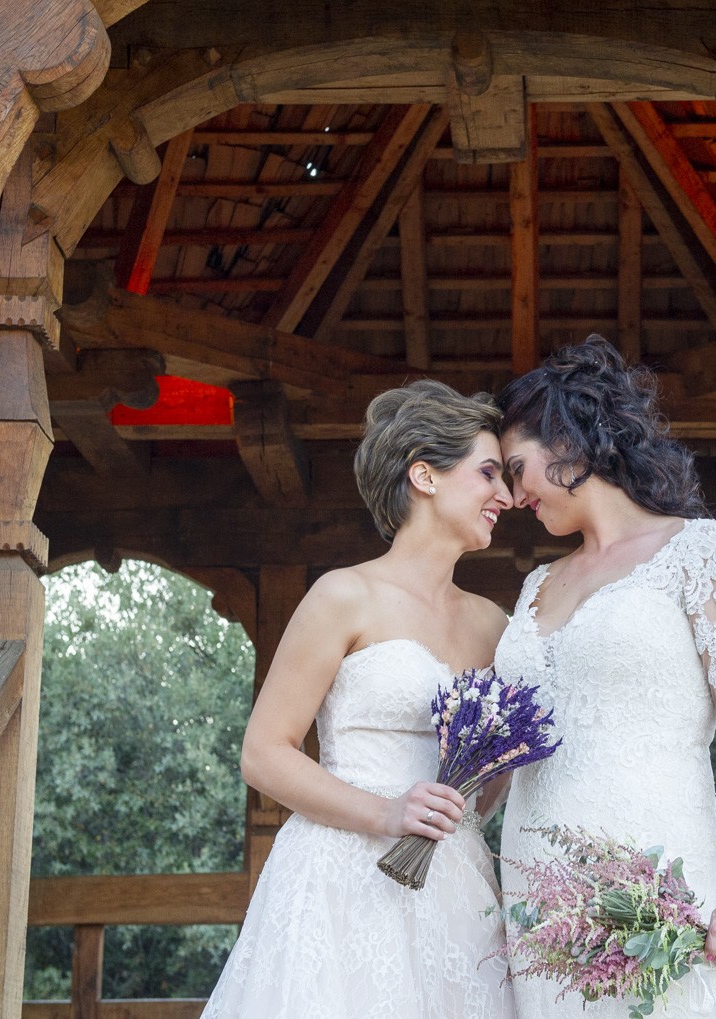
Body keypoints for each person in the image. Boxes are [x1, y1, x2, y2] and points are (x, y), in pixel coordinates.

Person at [202, 380, 518, 1019]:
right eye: (488, 473)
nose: (506, 496)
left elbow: (493, 780)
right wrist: (385, 814)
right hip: (341, 880)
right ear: (424, 476)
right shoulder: (343, 597)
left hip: (456, 880)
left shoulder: (495, 625)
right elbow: (264, 755)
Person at [493, 336, 716, 1018]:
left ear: (565, 439)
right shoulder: (537, 582)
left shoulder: (700, 552)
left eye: (516, 467)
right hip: (536, 884)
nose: (512, 494)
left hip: (656, 878)